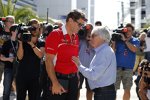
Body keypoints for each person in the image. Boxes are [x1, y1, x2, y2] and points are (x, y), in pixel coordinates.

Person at [45, 9, 87, 100]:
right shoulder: (56, 34)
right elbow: (48, 61)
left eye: (82, 25)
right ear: (70, 20)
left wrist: (77, 75)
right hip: (59, 79)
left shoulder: (75, 36)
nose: (81, 27)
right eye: (79, 24)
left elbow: (75, 58)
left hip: (73, 80)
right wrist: (55, 83)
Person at [72, 26, 117, 100]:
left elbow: (93, 75)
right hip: (104, 92)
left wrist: (79, 65)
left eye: (93, 36)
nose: (90, 38)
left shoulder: (104, 52)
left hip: (104, 94)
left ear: (102, 37)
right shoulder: (103, 50)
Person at [16, 19, 45, 100]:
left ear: (39, 29)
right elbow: (19, 57)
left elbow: (40, 55)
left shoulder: (41, 42)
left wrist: (31, 44)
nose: (35, 30)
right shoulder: (23, 41)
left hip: (35, 77)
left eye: (37, 28)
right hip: (22, 76)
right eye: (33, 28)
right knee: (20, 97)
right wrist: (21, 43)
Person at [111, 23, 140, 100]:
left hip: (128, 69)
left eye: (129, 31)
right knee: (114, 90)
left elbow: (134, 49)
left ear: (132, 32)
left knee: (127, 90)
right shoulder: (119, 39)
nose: (127, 32)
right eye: (126, 30)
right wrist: (114, 42)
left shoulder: (135, 40)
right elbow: (112, 52)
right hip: (116, 68)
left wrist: (125, 41)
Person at [77, 23, 95, 100]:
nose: (88, 32)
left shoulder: (95, 40)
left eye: (90, 30)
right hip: (79, 68)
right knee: (77, 89)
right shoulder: (79, 38)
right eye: (87, 30)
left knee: (90, 90)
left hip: (90, 69)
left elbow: (95, 48)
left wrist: (89, 40)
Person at [0, 24, 18, 100]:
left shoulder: (21, 42)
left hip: (19, 69)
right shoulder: (7, 43)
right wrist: (8, 59)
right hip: (9, 68)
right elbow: (1, 57)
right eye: (18, 30)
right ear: (13, 32)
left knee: (20, 90)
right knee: (6, 90)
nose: (19, 31)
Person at [0, 15, 15, 83]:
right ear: (5, 22)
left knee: (8, 83)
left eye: (13, 22)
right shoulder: (0, 31)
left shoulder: (14, 33)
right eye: (10, 21)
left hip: (10, 60)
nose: (12, 23)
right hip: (1, 58)